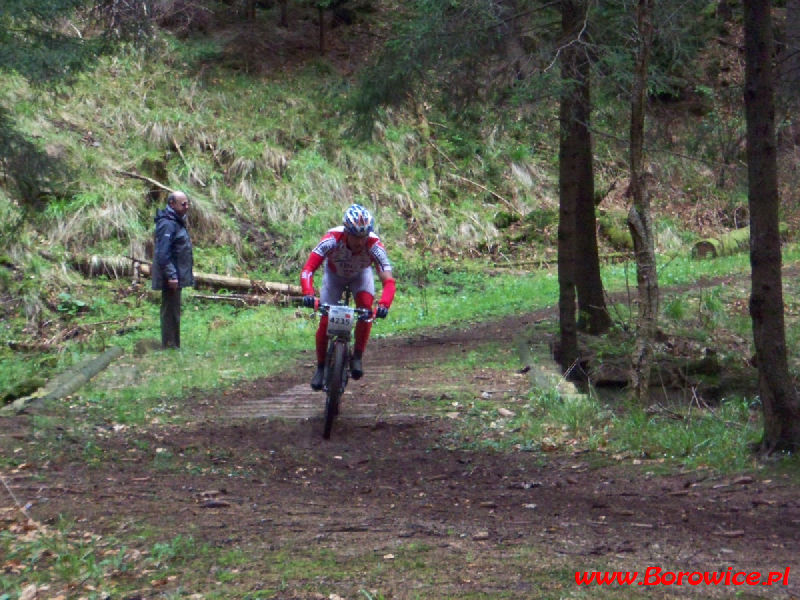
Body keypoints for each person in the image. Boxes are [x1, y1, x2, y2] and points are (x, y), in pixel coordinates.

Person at [300, 204, 396, 390]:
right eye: (355, 236)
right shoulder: (331, 239)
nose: (360, 241)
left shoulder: (375, 246)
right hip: (334, 276)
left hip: (360, 275)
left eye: (364, 236)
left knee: (366, 311)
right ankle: (320, 367)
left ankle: (357, 356)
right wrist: (308, 293)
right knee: (325, 318)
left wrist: (384, 304)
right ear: (346, 232)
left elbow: (389, 281)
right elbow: (308, 269)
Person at [151, 191, 194, 349]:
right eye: (183, 204)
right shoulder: (167, 224)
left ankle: (174, 344)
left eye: (187, 203)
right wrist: (172, 276)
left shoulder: (176, 221)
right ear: (172, 204)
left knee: (174, 310)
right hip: (170, 277)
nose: (186, 206)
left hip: (175, 274)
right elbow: (163, 253)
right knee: (170, 311)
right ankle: (169, 345)